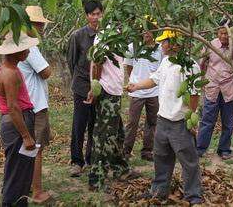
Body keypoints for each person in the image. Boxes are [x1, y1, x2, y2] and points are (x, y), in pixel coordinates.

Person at [126, 30, 203, 205]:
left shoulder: (189, 65)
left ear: (175, 43)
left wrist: (191, 119)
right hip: (163, 119)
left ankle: (193, 195)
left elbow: (194, 93)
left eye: (164, 42)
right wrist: (136, 86)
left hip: (180, 122)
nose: (161, 45)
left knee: (188, 160)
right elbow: (154, 79)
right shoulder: (167, 61)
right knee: (161, 157)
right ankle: (159, 190)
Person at [85, 29, 139, 190]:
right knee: (104, 137)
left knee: (118, 133)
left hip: (113, 91)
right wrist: (94, 86)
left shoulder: (117, 32)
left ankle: (120, 169)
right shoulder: (108, 35)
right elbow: (97, 62)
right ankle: (96, 179)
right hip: (107, 91)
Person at [0, 32, 39, 207]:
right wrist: (26, 135)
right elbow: (13, 107)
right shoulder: (10, 73)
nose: (28, 51)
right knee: (18, 173)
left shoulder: (4, 68)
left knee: (18, 170)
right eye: (24, 49)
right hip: (16, 123)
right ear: (15, 52)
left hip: (14, 122)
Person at [196, 22, 233, 160]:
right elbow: (201, 64)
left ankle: (224, 149)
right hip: (212, 87)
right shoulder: (210, 45)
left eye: (227, 33)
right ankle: (200, 148)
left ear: (232, 34)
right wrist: (202, 81)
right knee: (207, 119)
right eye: (221, 33)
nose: (224, 36)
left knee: (228, 122)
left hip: (229, 89)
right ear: (217, 33)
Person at [17, 6, 52, 203]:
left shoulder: (16, 42)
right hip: (35, 105)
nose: (41, 27)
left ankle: (24, 184)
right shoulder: (29, 45)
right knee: (36, 148)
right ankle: (37, 191)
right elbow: (46, 72)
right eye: (38, 24)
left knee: (26, 148)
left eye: (41, 24)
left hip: (25, 103)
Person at [67, 0, 103, 177]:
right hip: (82, 86)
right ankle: (76, 161)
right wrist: (82, 81)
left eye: (98, 14)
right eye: (92, 14)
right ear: (86, 16)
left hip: (99, 87)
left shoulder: (106, 35)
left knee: (94, 123)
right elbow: (71, 62)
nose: (95, 17)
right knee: (79, 124)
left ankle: (90, 158)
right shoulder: (78, 36)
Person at [123, 30, 162, 161]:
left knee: (152, 122)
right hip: (137, 91)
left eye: (150, 31)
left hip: (154, 91)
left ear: (156, 32)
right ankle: (126, 151)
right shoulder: (132, 47)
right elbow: (128, 67)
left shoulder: (160, 48)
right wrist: (135, 81)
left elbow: (161, 69)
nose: (147, 34)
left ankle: (147, 151)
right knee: (132, 122)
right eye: (144, 31)